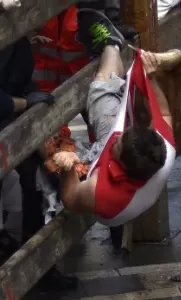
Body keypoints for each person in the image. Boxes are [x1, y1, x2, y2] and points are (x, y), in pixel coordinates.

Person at [53, 10, 173, 223]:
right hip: (125, 179)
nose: (116, 138)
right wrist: (151, 77)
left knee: (52, 151)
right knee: (102, 85)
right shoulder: (164, 147)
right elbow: (162, 112)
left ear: (121, 165)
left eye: (117, 145)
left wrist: (69, 167)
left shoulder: (99, 192)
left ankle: (111, 48)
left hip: (107, 191)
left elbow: (71, 199)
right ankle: (112, 44)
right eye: (124, 134)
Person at [0, 36, 78, 288]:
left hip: (14, 118)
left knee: (32, 182)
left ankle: (36, 265)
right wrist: (23, 103)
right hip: (9, 115)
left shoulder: (17, 37)